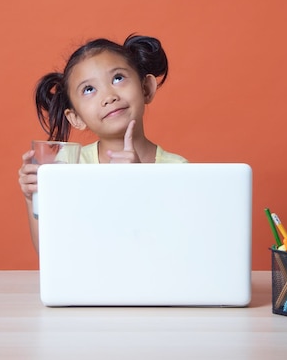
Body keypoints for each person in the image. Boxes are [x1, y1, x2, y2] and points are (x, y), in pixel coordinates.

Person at [18, 34, 187, 251]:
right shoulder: (69, 168)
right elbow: (53, 252)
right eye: (89, 89)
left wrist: (141, 184)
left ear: (146, 88)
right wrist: (33, 198)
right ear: (75, 118)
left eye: (118, 78)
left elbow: (176, 250)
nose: (108, 96)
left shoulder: (179, 170)